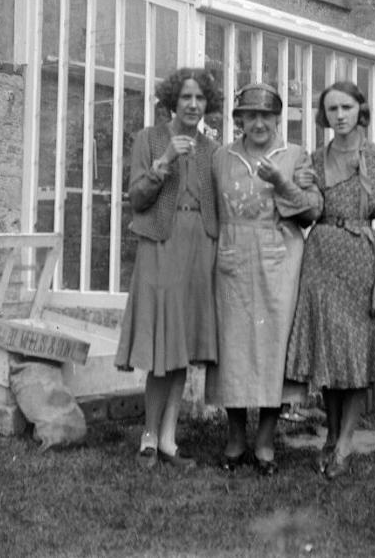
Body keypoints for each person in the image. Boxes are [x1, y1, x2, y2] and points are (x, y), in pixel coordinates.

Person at [286, 80, 375, 480]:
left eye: (346, 107)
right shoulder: (314, 157)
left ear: (361, 109)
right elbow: (307, 212)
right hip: (321, 258)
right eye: (332, 110)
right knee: (330, 351)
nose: (339, 116)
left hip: (361, 258)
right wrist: (300, 189)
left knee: (355, 353)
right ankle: (330, 436)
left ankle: (344, 442)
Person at [205, 82, 323, 475]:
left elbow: (311, 212)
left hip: (279, 260)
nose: (258, 123)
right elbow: (210, 212)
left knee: (274, 350)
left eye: (266, 116)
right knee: (233, 349)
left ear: (278, 119)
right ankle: (236, 439)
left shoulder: (294, 156)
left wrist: (281, 181)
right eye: (250, 115)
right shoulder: (222, 157)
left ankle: (266, 441)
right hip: (233, 260)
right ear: (239, 119)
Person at [115, 67, 221, 469]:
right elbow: (137, 198)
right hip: (162, 243)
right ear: (172, 101)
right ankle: (147, 436)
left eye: (200, 99)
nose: (193, 105)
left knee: (182, 345)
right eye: (186, 98)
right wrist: (165, 160)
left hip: (200, 247)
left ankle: (169, 439)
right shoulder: (150, 139)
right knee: (163, 343)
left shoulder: (213, 150)